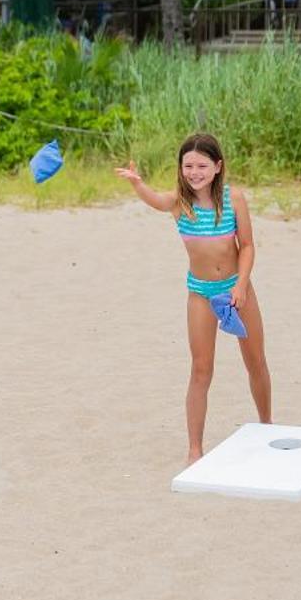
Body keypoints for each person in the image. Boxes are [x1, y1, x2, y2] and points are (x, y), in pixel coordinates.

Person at [116, 134, 273, 464]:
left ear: (218, 167)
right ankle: (194, 449)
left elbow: (247, 246)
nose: (194, 172)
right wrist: (136, 184)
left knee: (255, 360)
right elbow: (156, 200)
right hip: (200, 293)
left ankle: (266, 426)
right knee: (201, 369)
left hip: (236, 288)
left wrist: (241, 285)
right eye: (188, 165)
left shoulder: (234, 199)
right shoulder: (179, 203)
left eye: (202, 165)